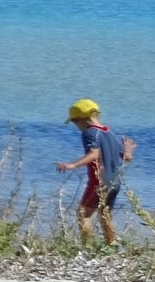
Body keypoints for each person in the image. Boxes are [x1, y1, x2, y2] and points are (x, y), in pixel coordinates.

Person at [56, 98, 136, 245]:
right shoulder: (111, 133)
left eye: (74, 121)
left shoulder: (89, 133)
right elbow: (126, 158)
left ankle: (88, 249)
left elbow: (94, 153)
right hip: (115, 181)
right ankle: (112, 246)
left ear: (82, 119)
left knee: (83, 215)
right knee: (105, 215)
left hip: (99, 181)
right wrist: (128, 151)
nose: (75, 125)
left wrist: (72, 165)